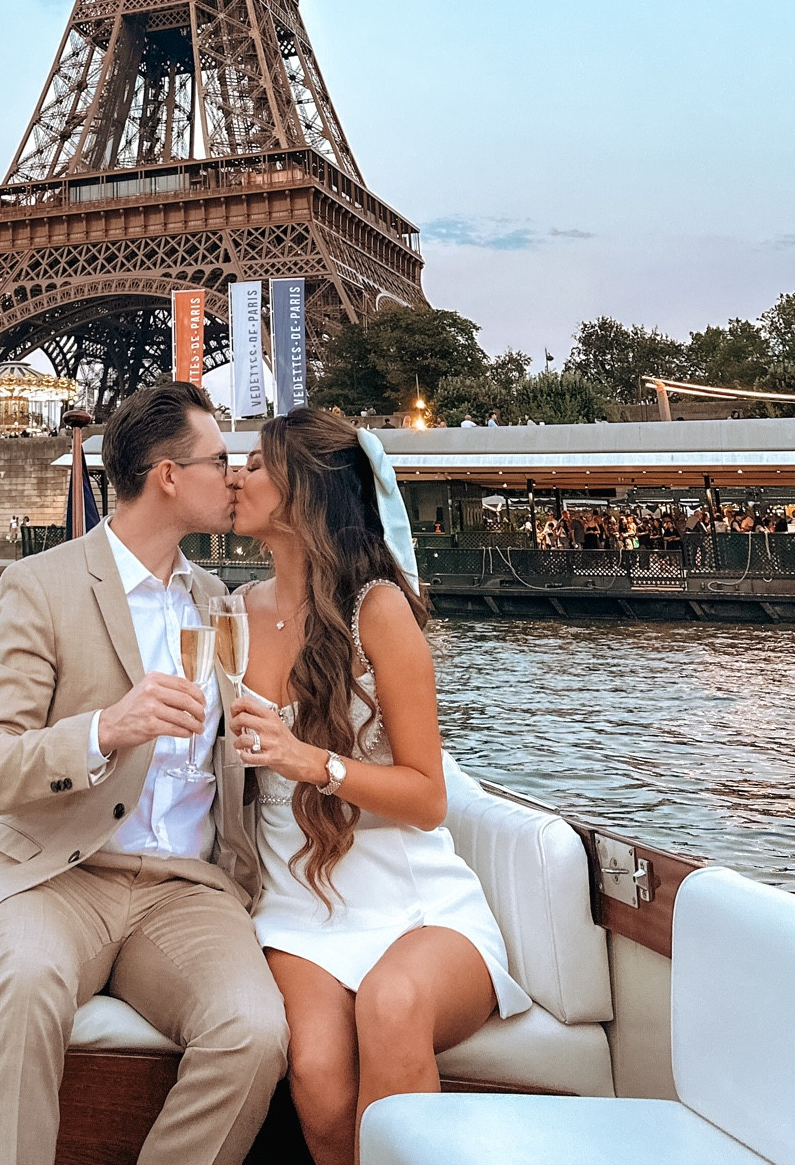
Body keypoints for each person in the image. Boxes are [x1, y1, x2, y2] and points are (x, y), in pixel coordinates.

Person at [0, 379, 286, 1165]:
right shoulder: (41, 586)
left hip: (183, 889)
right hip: (57, 876)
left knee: (255, 1031)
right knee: (27, 986)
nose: (234, 477)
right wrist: (105, 729)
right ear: (168, 476)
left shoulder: (218, 604)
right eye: (219, 461)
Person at [227, 409, 527, 1165]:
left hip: (413, 900)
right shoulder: (229, 613)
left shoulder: (379, 611)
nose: (236, 476)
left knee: (393, 1006)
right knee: (321, 1084)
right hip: (298, 907)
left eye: (256, 466)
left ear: (304, 495)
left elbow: (428, 796)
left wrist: (313, 762)